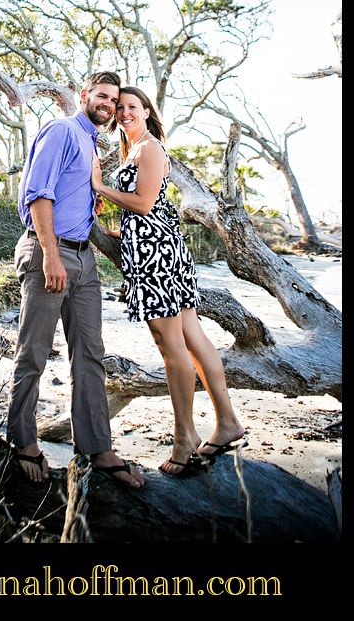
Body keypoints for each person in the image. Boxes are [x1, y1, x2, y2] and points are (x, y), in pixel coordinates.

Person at [91, 85, 247, 476]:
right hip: (154, 246)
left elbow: (144, 203)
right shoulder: (135, 149)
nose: (124, 112)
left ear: (146, 110)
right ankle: (227, 423)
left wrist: (100, 187)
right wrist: (122, 233)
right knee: (192, 338)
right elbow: (148, 208)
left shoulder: (150, 149)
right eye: (120, 107)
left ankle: (185, 437)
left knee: (170, 343)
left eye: (132, 106)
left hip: (157, 254)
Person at [6, 71, 144, 489]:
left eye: (114, 100)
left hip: (84, 261)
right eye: (101, 96)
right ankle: (23, 442)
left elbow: (70, 195)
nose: (108, 105)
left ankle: (98, 448)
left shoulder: (91, 143)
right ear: (84, 95)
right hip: (50, 254)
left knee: (90, 355)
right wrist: (50, 255)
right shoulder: (62, 129)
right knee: (33, 351)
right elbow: (38, 195)